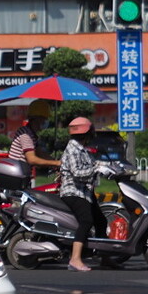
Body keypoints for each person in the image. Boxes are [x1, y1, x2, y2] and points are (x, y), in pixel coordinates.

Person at [57, 116, 107, 272]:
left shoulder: (82, 149)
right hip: (73, 191)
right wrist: (96, 169)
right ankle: (75, 259)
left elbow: (93, 165)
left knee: (101, 222)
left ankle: (105, 258)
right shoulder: (72, 149)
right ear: (86, 133)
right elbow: (77, 173)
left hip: (84, 191)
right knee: (86, 221)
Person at [8, 100, 61, 184]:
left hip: (22, 174)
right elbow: (32, 159)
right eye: (44, 118)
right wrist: (56, 163)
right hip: (16, 176)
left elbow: (40, 153)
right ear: (37, 118)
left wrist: (56, 163)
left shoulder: (32, 134)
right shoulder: (25, 135)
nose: (45, 121)